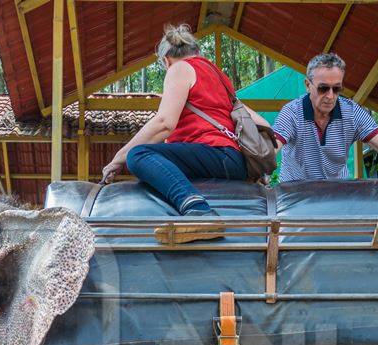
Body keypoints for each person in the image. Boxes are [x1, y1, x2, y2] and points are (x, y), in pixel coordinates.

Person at [100, 24, 269, 217]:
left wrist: (119, 158)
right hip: (235, 162)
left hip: (214, 153)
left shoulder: (180, 68)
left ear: (166, 61)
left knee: (138, 155)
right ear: (196, 52)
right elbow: (264, 125)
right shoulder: (219, 77)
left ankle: (197, 209)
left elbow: (164, 123)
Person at [272, 53, 378, 186]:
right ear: (308, 85)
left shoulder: (352, 113)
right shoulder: (291, 113)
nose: (330, 96)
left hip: (337, 192)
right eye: (323, 88)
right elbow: (270, 149)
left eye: (336, 89)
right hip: (295, 195)